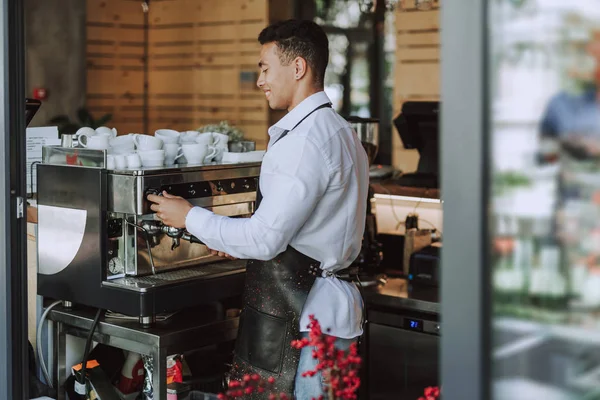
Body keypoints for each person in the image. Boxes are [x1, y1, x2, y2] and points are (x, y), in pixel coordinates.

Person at [147, 19, 368, 398]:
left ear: (298, 67)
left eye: (265, 68)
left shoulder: (304, 142)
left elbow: (265, 241)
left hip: (307, 321)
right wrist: (232, 240)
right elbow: (295, 228)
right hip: (334, 317)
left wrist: (189, 217)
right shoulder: (341, 130)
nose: (260, 80)